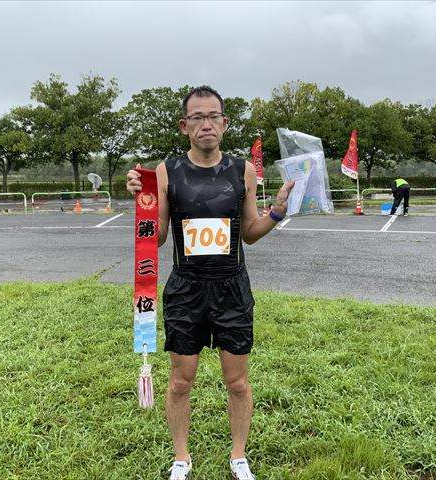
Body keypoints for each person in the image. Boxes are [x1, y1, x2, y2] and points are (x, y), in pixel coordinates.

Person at [126, 85, 294, 480]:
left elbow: (249, 233)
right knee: (180, 381)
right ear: (184, 126)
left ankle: (238, 456)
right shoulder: (167, 171)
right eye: (197, 117)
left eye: (213, 116)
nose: (206, 124)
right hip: (186, 289)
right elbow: (158, 237)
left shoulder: (242, 170)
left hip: (232, 287)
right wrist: (142, 202)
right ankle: (181, 458)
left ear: (224, 123)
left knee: (237, 382)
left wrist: (276, 213)